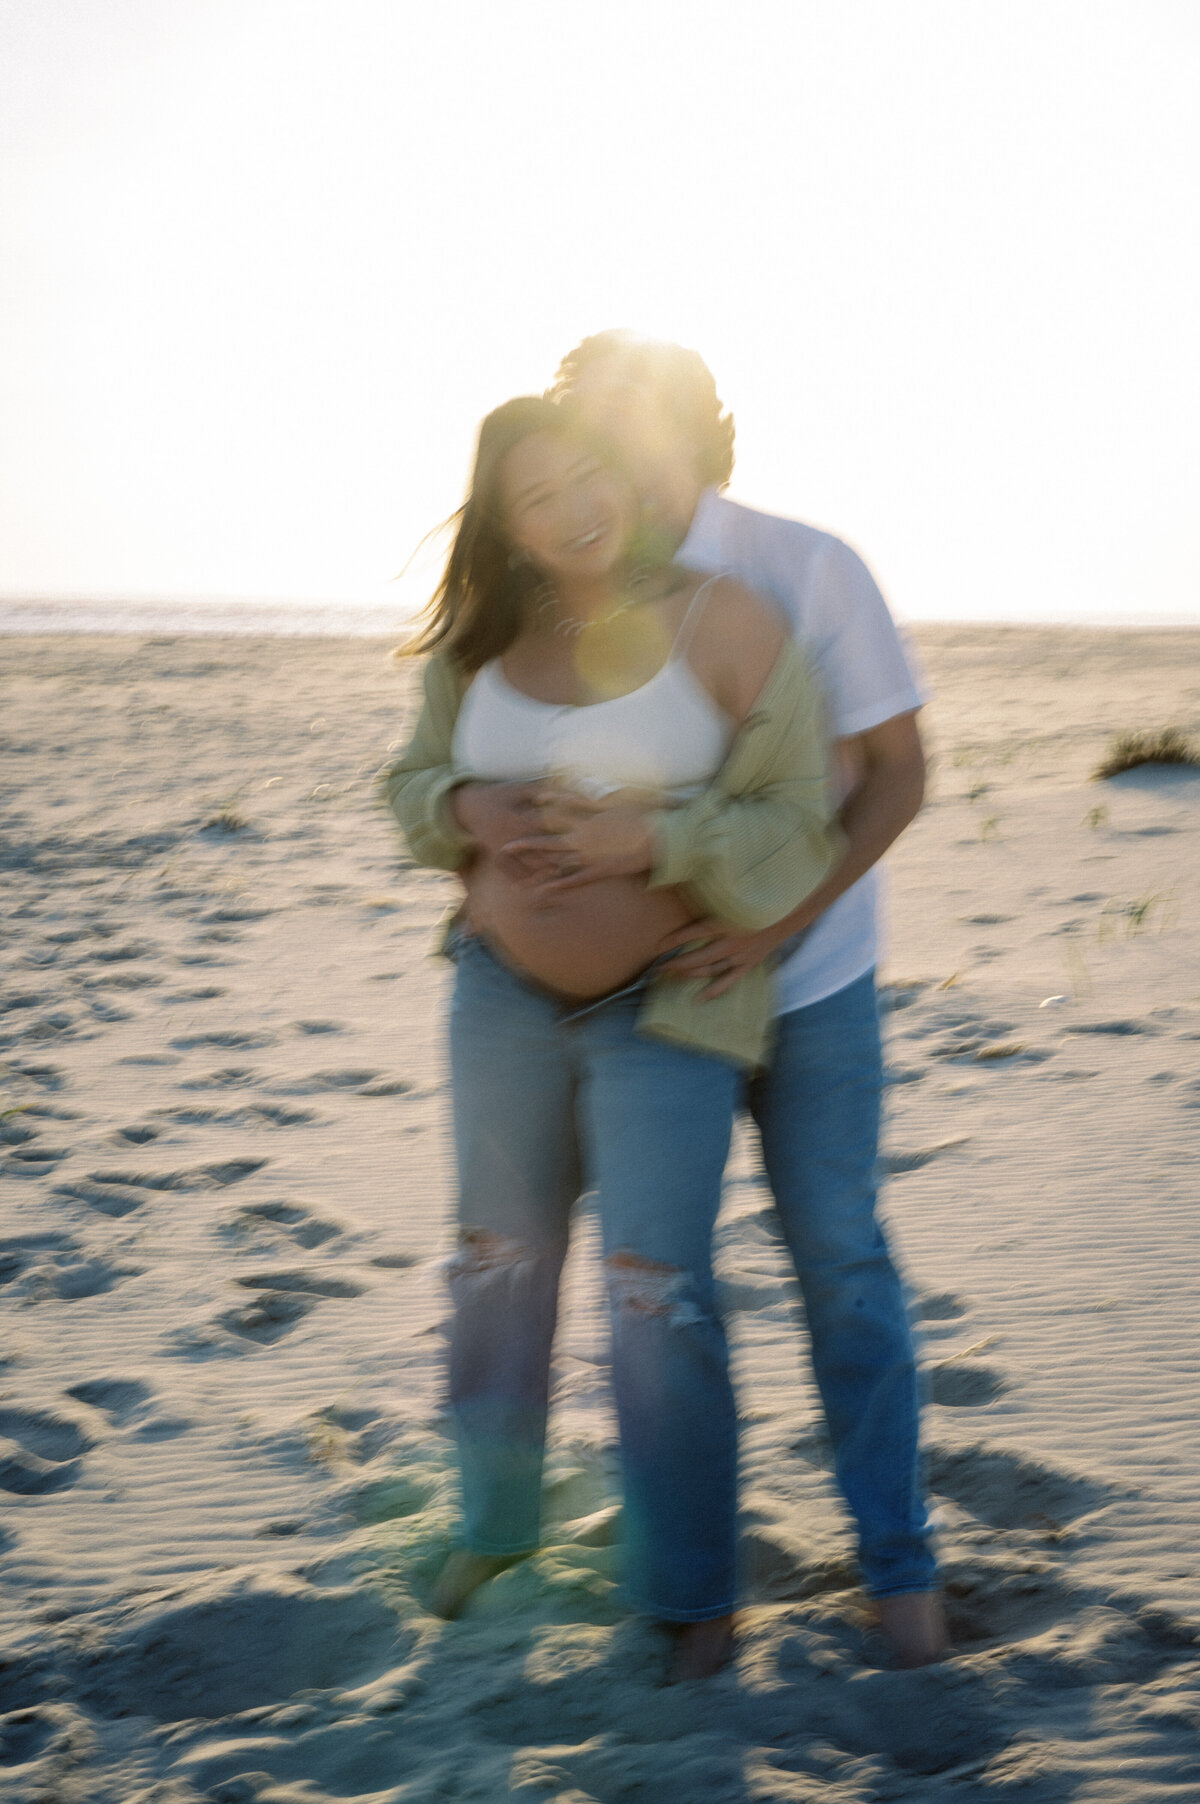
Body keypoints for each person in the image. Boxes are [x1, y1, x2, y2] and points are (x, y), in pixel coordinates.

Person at [383, 395, 840, 1678]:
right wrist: (461, 800)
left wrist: (658, 841)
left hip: (669, 1005)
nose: (577, 504)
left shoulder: (724, 619)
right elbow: (407, 791)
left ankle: (693, 1591)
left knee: (657, 1295)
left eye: (594, 472)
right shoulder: (476, 641)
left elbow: (802, 817)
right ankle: (494, 1526)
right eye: (541, 492)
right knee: (494, 1265)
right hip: (498, 995)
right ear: (508, 526)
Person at [541, 331, 949, 1668]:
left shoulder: (808, 564)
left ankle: (902, 1574)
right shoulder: (574, 591)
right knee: (661, 1289)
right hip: (658, 999)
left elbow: (898, 773)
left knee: (840, 1258)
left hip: (815, 980)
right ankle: (691, 1596)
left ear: (693, 434)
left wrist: (780, 924)